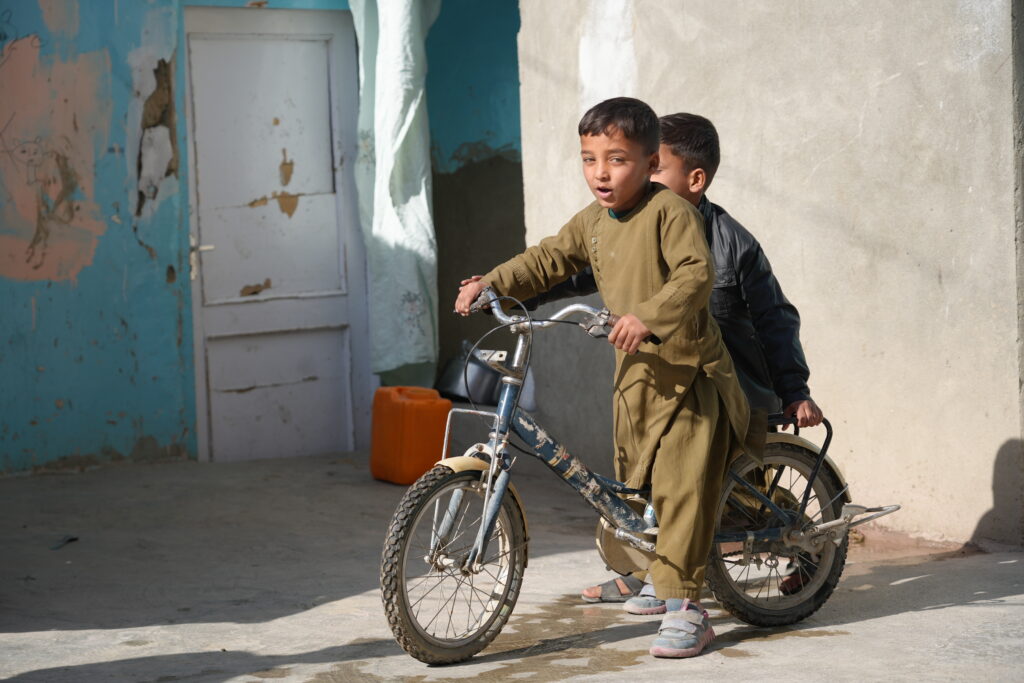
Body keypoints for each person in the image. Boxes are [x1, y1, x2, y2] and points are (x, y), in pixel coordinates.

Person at [455, 98, 755, 659]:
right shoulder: (593, 221)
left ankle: (687, 606)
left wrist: (650, 316)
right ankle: (649, 576)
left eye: (616, 159)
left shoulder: (672, 213)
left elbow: (696, 273)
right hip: (636, 374)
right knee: (633, 485)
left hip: (689, 374)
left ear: (648, 162)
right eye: (589, 158)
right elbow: (549, 259)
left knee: (680, 486)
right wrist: (492, 284)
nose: (600, 172)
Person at [535, 113, 824, 611]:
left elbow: (775, 319)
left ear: (695, 180)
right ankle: (641, 573)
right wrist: (511, 288)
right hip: (658, 380)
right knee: (641, 482)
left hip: (726, 384)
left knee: (739, 493)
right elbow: (576, 268)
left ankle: (807, 547)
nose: (638, 179)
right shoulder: (631, 224)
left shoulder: (733, 245)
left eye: (655, 169)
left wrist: (794, 389)